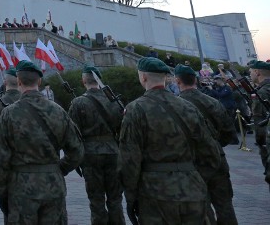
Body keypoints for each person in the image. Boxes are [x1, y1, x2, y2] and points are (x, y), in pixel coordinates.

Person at [120, 57, 221, 224]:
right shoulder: (188, 106)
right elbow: (211, 152)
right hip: (192, 189)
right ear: (166, 78)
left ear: (143, 77)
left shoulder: (135, 109)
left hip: (155, 193)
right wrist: (194, 177)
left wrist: (131, 195)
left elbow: (129, 159)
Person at [0, 60, 84, 224]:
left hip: (21, 188)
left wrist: (2, 192)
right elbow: (77, 151)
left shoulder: (9, 114)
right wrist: (58, 169)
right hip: (53, 186)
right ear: (39, 81)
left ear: (18, 81)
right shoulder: (58, 111)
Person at [176, 64, 238, 224]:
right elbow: (229, 132)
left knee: (202, 209)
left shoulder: (176, 106)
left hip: (194, 163)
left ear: (177, 81)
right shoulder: (212, 101)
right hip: (218, 159)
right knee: (225, 205)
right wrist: (215, 144)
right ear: (196, 80)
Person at [68, 66, 125, 225]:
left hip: (90, 155)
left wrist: (75, 158)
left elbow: (73, 134)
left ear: (83, 81)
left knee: (96, 200)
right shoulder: (114, 101)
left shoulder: (78, 102)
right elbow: (123, 130)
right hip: (113, 152)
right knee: (115, 198)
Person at [249, 60, 270, 176]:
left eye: (251, 72)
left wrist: (260, 142)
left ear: (257, 72)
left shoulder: (261, 93)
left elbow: (260, 122)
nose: (250, 75)